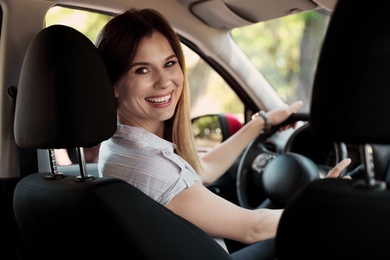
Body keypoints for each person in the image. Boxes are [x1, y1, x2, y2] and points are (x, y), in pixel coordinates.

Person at [96, 8, 351, 259]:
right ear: (113, 84)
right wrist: (321, 201)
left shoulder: (119, 147)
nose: (164, 82)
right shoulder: (153, 167)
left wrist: (260, 123)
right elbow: (254, 228)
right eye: (142, 69)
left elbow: (200, 170)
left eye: (170, 63)